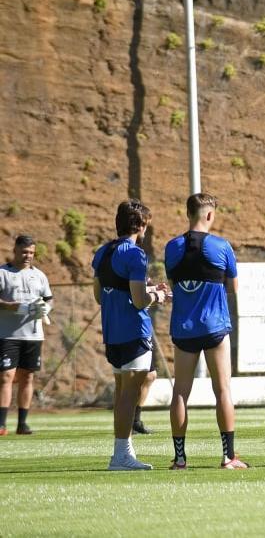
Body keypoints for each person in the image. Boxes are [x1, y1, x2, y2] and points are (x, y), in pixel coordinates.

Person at [165, 193, 247, 469]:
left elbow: (174, 283)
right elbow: (233, 288)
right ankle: (228, 457)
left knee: (180, 392)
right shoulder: (221, 246)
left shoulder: (171, 247)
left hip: (184, 328)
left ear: (188, 214)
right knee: (222, 390)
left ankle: (179, 459)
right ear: (210, 215)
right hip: (214, 327)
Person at [93, 200, 170, 470]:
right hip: (134, 331)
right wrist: (157, 295)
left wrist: (145, 286)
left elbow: (98, 295)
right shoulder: (135, 254)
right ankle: (121, 455)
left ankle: (123, 452)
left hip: (112, 332)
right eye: (146, 224)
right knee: (130, 394)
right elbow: (139, 302)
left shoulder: (102, 252)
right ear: (139, 225)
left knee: (121, 392)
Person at [0, 235, 53, 436]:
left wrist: (45, 309)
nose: (27, 256)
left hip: (33, 336)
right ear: (15, 250)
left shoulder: (39, 275)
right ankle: (1, 423)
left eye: (31, 252)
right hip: (7, 335)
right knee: (5, 376)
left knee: (28, 377)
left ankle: (22, 423)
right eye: (24, 251)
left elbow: (49, 299)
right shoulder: (3, 273)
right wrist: (14, 306)